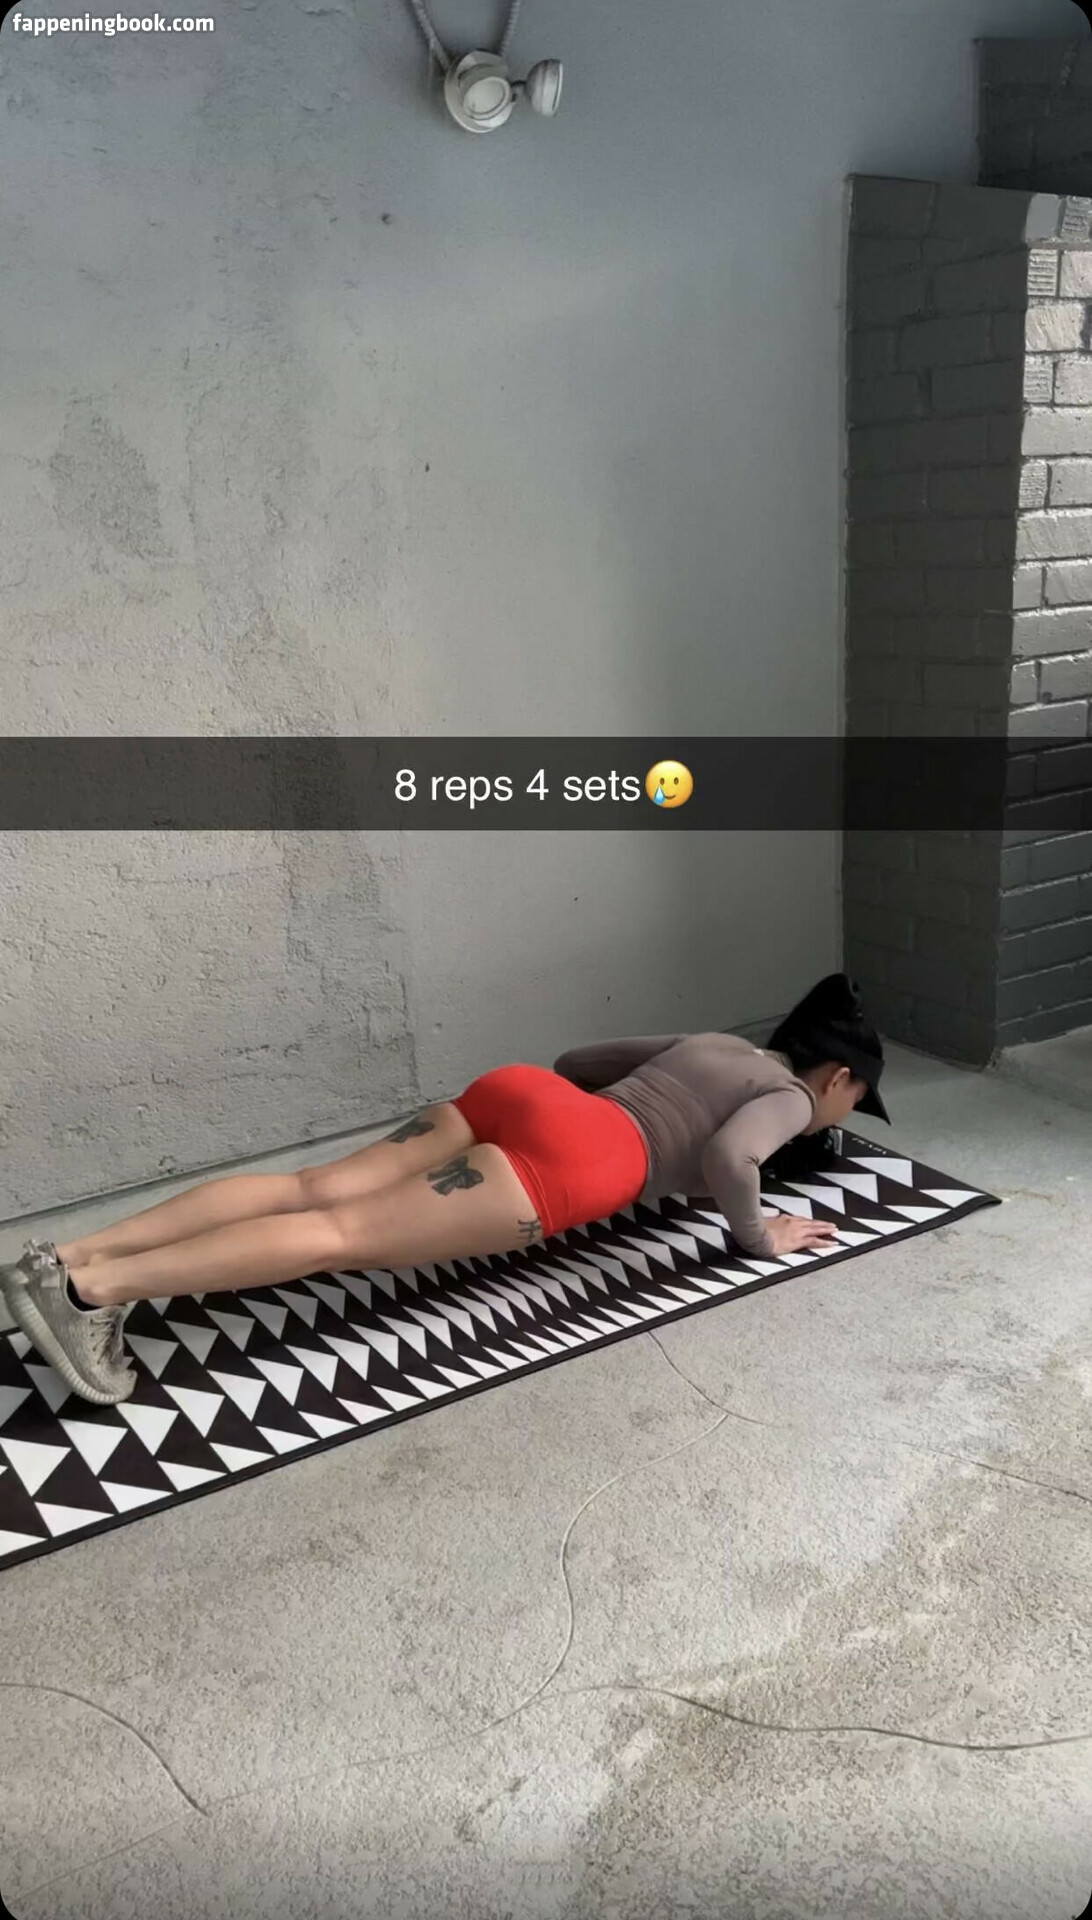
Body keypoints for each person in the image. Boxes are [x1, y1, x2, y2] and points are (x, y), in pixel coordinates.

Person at [0, 972, 888, 1408]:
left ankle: (70, 1255)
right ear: (839, 1077)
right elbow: (735, 1156)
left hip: (520, 1095)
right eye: (854, 1100)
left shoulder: (723, 1045)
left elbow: (577, 1062)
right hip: (576, 1162)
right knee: (339, 1237)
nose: (837, 1114)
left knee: (309, 1188)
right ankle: (90, 1295)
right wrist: (758, 1232)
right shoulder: (788, 1096)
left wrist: (659, 1132)